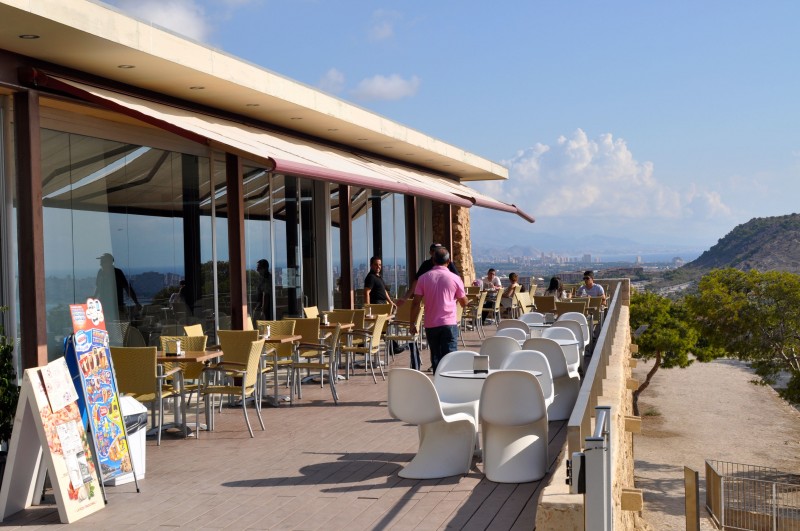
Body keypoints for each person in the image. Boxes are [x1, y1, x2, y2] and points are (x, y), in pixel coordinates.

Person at [410, 247, 468, 373]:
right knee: (450, 358)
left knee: (436, 357)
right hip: (449, 323)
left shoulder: (423, 278)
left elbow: (415, 303)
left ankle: (438, 384)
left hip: (431, 324)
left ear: (433, 261)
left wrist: (412, 323)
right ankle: (450, 387)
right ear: (448, 262)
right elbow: (464, 302)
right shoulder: (455, 278)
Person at [93, 253, 141, 323]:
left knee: (118, 326)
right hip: (103, 307)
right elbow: (98, 287)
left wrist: (136, 302)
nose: (101, 264)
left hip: (117, 307)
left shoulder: (117, 273)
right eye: (101, 262)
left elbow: (127, 288)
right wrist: (94, 297)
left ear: (110, 262)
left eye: (103, 262)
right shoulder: (100, 273)